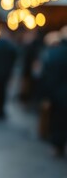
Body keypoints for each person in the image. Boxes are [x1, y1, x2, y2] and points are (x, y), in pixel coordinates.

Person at [40, 28, 67, 157]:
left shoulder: (54, 54)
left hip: (58, 95)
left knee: (57, 120)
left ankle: (58, 145)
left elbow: (48, 77)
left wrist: (46, 96)